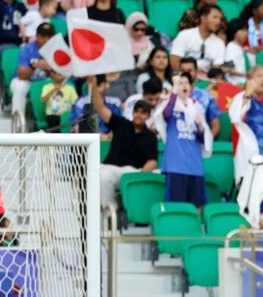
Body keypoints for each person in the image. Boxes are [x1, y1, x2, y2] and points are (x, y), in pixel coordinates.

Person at [91, 77, 158, 215]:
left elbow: (152, 161)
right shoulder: (120, 123)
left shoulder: (151, 136)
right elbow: (99, 107)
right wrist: (93, 86)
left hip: (133, 172)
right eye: (137, 111)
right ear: (133, 113)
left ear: (148, 116)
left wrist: (141, 177)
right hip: (112, 169)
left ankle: (139, 213)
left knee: (160, 175)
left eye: (143, 112)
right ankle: (110, 211)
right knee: (102, 175)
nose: (139, 115)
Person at [154, 72, 212, 207]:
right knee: (175, 206)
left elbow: (203, 139)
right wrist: (173, 89)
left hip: (194, 166)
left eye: (187, 83)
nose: (184, 86)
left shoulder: (196, 108)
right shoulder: (169, 105)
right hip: (176, 166)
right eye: (181, 83)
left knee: (197, 206)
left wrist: (200, 126)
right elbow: (166, 114)